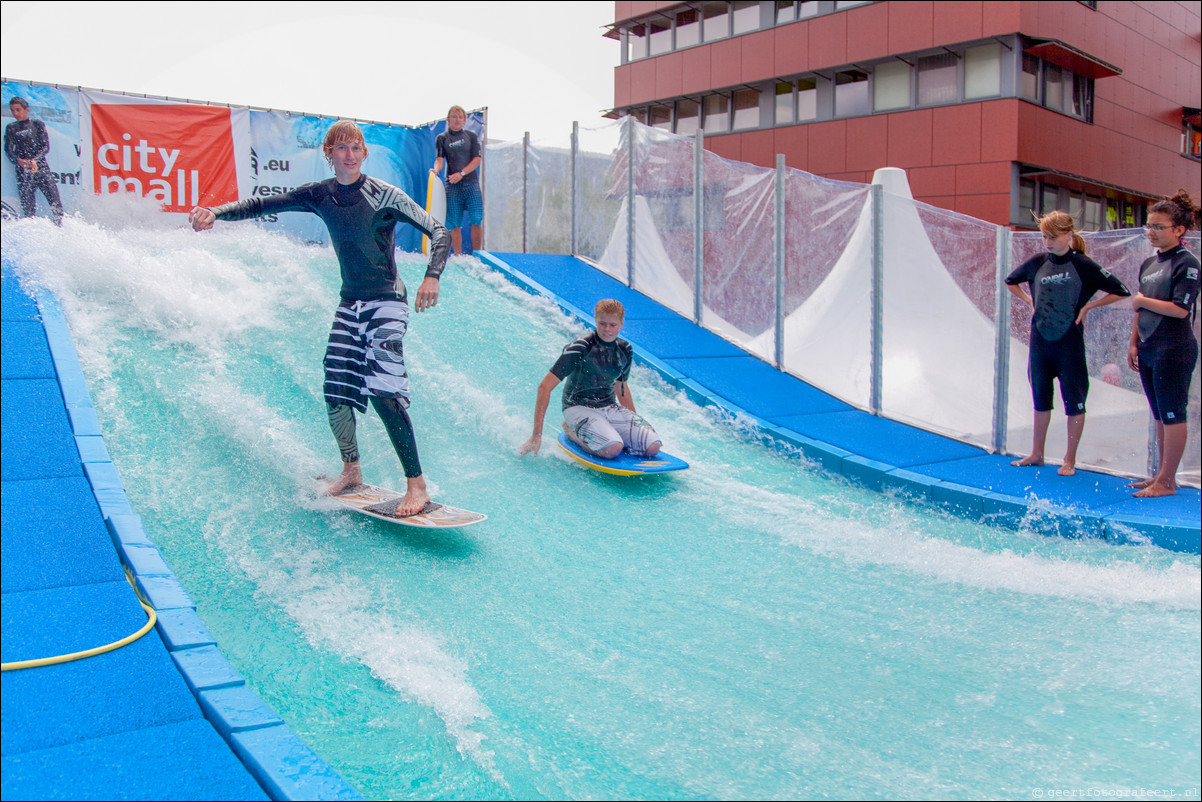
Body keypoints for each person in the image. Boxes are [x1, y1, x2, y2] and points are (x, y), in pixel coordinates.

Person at [189, 120, 451, 517]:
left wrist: (432, 275)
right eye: (340, 148)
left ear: (364, 153)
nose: (348, 155)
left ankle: (417, 487)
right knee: (335, 390)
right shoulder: (320, 195)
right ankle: (351, 470)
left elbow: (438, 231)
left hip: (387, 303)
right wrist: (216, 211)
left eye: (355, 148)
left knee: (383, 391)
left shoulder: (385, 195)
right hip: (350, 304)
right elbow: (263, 205)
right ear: (329, 155)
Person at [1005, 210, 1131, 476]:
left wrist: (1089, 306)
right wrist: (1029, 301)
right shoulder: (1038, 261)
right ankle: (1037, 453)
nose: (1047, 242)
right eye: (1044, 236)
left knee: (1074, 401)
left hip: (1069, 346)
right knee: (1041, 398)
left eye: (1052, 236)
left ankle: (1069, 459)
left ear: (1068, 235)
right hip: (1040, 343)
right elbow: (1010, 281)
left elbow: (1121, 290)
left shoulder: (1082, 265)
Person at [519, 299, 662, 460]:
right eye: (602, 323)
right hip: (577, 407)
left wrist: (633, 425)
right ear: (595, 319)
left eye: (613, 325)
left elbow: (621, 388)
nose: (607, 329)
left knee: (652, 447)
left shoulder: (625, 350)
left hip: (608, 407)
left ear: (622, 323)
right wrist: (536, 434)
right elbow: (544, 387)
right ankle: (571, 431)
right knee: (613, 449)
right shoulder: (580, 347)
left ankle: (606, 433)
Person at [1126, 190, 1201, 497]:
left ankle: (1168, 481)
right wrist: (1133, 342)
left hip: (1175, 347)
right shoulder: (1149, 264)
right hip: (1148, 346)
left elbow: (1180, 309)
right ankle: (1158, 474)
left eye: (1158, 227)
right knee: (1158, 413)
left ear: (1179, 230)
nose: (1151, 232)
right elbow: (1139, 309)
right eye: (1149, 226)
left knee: (1172, 413)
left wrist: (1142, 300)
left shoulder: (1188, 263)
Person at [430, 105, 482, 255]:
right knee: (454, 223)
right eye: (454, 116)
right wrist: (436, 169)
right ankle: (458, 256)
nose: (457, 119)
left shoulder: (471, 137)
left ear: (464, 120)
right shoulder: (442, 138)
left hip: (470, 183)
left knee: (476, 219)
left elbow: (477, 160)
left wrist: (462, 173)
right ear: (448, 119)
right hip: (452, 186)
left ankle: (478, 255)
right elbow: (439, 159)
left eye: (460, 117)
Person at [4, 96, 64, 225]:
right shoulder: (11, 127)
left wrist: (35, 161)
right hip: (23, 173)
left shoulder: (37, 124)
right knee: (28, 211)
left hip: (41, 169)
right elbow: (8, 151)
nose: (15, 113)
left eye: (18, 110)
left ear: (27, 109)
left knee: (56, 204)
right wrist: (18, 160)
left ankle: (59, 230)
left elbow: (45, 147)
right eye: (12, 110)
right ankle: (32, 237)